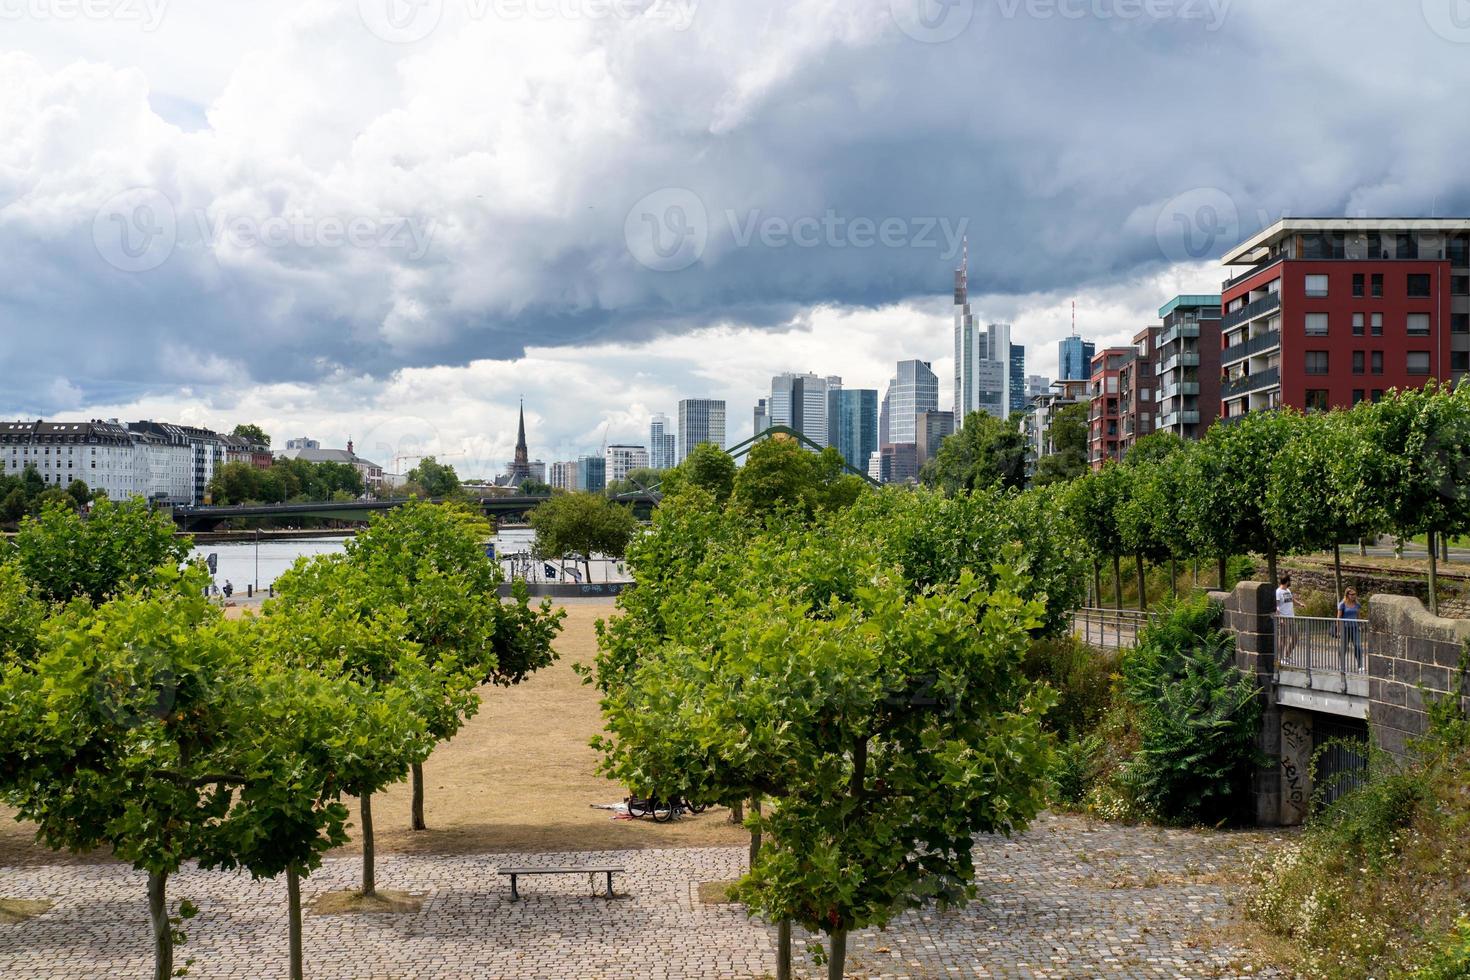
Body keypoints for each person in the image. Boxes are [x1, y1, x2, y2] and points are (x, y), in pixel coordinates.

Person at [1337, 586, 1363, 669]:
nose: (1354, 596)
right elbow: (1338, 618)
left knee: (1358, 646)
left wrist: (1360, 626)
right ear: (1347, 595)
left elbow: (1358, 616)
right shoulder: (1342, 604)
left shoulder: (1357, 604)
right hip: (1345, 628)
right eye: (1352, 594)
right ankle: (1342, 664)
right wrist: (1338, 630)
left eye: (1355, 594)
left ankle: (1360, 666)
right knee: (1344, 647)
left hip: (1355, 628)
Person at [1276, 573, 1297, 662]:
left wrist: (1300, 604)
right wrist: (1280, 618)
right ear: (1287, 581)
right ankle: (1280, 659)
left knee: (1295, 638)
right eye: (1289, 581)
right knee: (1283, 640)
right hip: (1284, 619)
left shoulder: (1288, 590)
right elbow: (1276, 606)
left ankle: (1287, 656)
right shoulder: (1278, 592)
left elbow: (1292, 599)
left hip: (1291, 618)